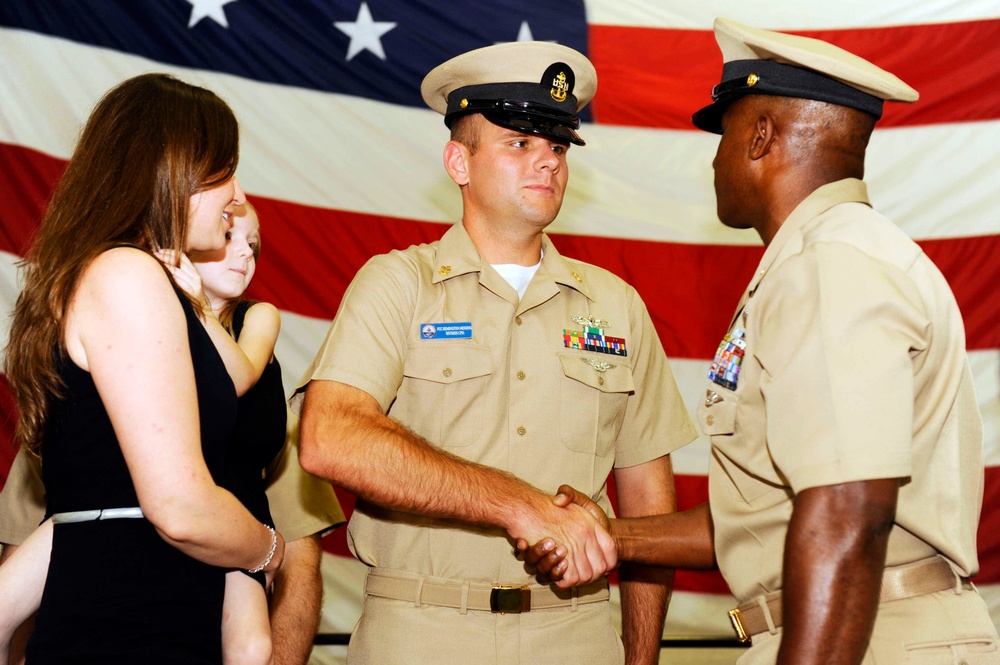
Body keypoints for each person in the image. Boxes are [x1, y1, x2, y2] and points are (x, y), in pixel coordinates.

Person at [524, 17, 1000, 665]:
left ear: (760, 137)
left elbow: (846, 512)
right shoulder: (822, 261)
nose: (714, 161)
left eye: (720, 137)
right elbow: (771, 510)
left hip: (870, 637)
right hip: (851, 628)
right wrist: (613, 533)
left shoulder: (830, 267)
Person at [293, 41, 697, 665]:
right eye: (519, 143)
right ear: (459, 160)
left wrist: (640, 658)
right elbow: (330, 436)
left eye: (558, 146)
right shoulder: (399, 284)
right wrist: (520, 505)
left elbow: (648, 504)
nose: (548, 164)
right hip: (423, 629)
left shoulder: (617, 306)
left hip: (577, 635)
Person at [0, 72, 284, 664]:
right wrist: (267, 549)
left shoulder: (124, 277)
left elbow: (86, 510)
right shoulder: (126, 274)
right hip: (130, 634)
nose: (236, 197)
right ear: (174, 171)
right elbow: (179, 508)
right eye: (224, 171)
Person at [0, 203, 346, 665]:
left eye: (254, 246)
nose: (244, 252)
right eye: (229, 238)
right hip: (118, 513)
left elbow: (238, 376)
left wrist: (195, 306)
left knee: (252, 647)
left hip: (236, 512)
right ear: (182, 251)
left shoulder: (259, 317)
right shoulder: (133, 316)